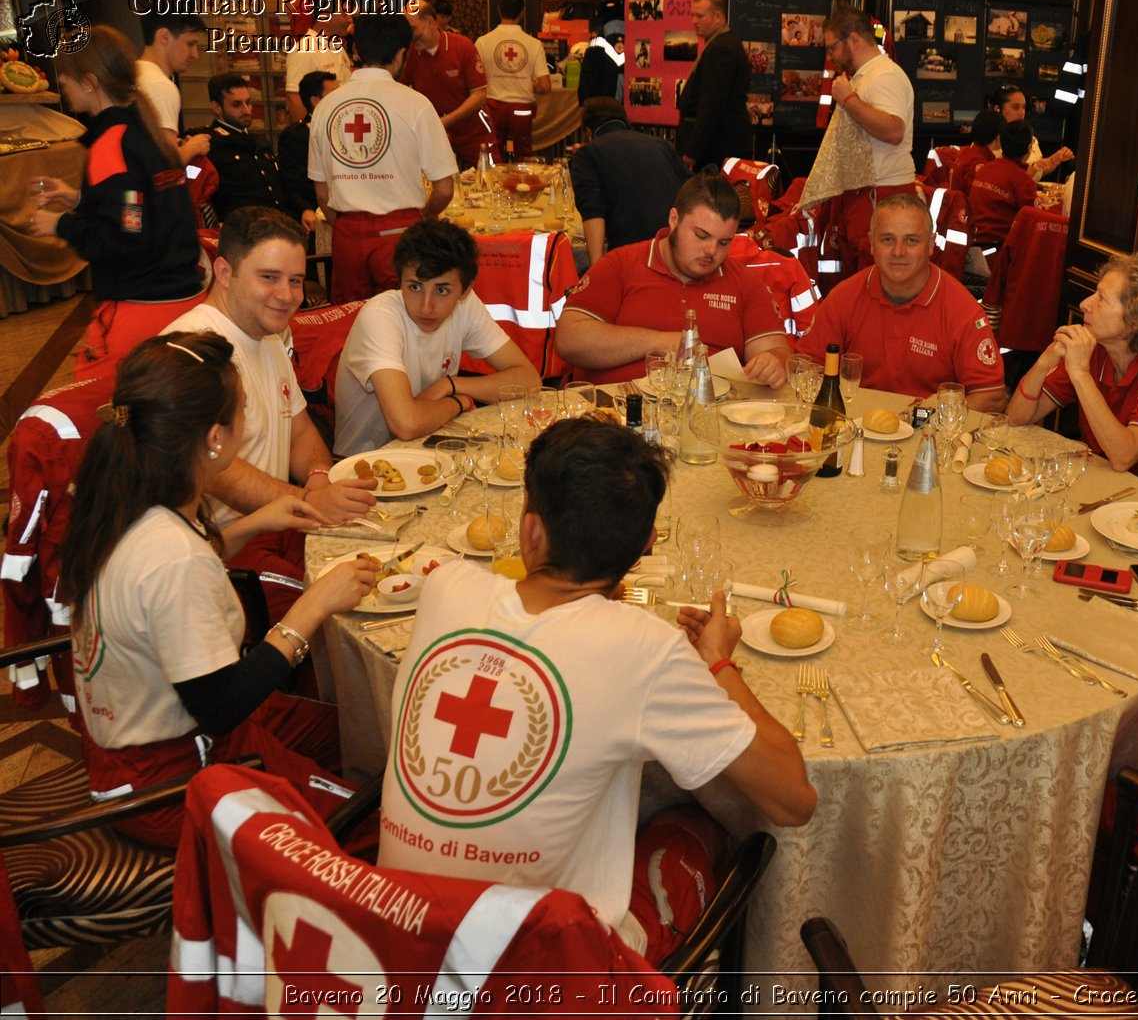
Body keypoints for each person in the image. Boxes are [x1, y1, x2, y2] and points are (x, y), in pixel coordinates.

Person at [379, 417, 815, 962]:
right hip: (538, 973)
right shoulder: (647, 649)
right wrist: (719, 661)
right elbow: (793, 799)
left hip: (395, 938)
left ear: (531, 531)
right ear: (645, 547)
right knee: (701, 819)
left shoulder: (446, 586)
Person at [56, 331, 378, 847]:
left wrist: (251, 524)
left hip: (135, 741)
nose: (247, 423)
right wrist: (313, 605)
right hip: (172, 779)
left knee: (360, 732)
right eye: (243, 412)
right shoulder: (173, 558)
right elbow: (220, 705)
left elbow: (155, 587)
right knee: (374, 826)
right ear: (215, 439)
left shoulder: (128, 497)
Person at [165, 208, 376, 618]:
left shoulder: (267, 333)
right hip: (226, 546)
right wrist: (306, 502)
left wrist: (317, 481)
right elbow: (213, 468)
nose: (287, 295)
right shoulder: (194, 349)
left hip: (280, 523)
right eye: (269, 278)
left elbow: (298, 428)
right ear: (223, 272)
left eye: (295, 280)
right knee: (349, 609)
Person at [28, 25, 205, 376]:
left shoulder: (111, 143)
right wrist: (80, 200)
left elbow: (126, 238)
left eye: (66, 74)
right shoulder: (146, 129)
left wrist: (61, 223)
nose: (61, 79)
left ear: (91, 81)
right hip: (183, 302)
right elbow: (136, 208)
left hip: (142, 310)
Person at [557, 173, 790, 387]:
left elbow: (777, 351)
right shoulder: (620, 264)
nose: (711, 251)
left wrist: (773, 364)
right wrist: (661, 342)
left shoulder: (745, 283)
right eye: (701, 235)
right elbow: (569, 340)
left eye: (724, 242)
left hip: (710, 417)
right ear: (674, 219)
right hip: (616, 414)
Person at [1006, 253, 1138, 497]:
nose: (1084, 304)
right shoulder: (1096, 349)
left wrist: (1080, 374)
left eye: (1101, 298)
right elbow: (1016, 418)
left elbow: (1124, 457)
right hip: (1107, 487)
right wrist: (1043, 363)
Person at [334, 220, 538, 454]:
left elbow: (529, 380)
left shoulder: (466, 306)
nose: (426, 307)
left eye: (442, 290)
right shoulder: (380, 316)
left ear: (466, 290)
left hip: (429, 449)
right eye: (414, 287)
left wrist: (451, 384)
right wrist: (458, 402)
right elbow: (405, 424)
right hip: (365, 464)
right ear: (399, 281)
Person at [798, 194, 1006, 412]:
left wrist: (938, 417)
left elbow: (991, 396)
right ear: (871, 244)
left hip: (928, 435)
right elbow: (805, 367)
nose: (898, 252)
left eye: (911, 240)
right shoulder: (844, 297)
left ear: (931, 245)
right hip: (856, 429)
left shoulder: (962, 310)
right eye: (887, 239)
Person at [308, 13, 456, 304]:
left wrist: (350, 226)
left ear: (357, 50)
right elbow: (445, 189)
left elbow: (321, 191)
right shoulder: (416, 104)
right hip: (401, 236)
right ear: (403, 53)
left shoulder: (326, 107)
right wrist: (421, 217)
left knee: (351, 326)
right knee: (404, 326)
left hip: (347, 238)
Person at [816, 7, 917, 278]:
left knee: (874, 283)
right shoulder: (865, 76)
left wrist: (849, 101)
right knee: (858, 283)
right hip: (865, 193)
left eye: (832, 47)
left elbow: (894, 130)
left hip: (882, 193)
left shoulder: (885, 76)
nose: (830, 56)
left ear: (853, 39)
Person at [568, 96, 688, 258]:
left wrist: (596, 272)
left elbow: (592, 211)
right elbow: (690, 190)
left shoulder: (588, 153)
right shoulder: (660, 145)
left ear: (588, 133)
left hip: (632, 254)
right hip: (677, 248)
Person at [404, 0, 491, 169]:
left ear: (430, 22)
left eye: (413, 29)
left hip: (473, 132)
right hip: (434, 135)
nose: (410, 36)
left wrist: (444, 121)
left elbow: (480, 96)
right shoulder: (409, 54)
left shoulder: (462, 46)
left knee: (488, 181)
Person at [675, 0, 752, 172]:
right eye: (692, 15)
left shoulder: (722, 49)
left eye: (700, 16)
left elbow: (712, 105)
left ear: (718, 17)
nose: (694, 20)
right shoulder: (721, 43)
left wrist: (692, 150)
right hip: (718, 145)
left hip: (717, 148)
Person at [199, 73, 286, 221]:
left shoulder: (259, 143)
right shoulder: (210, 144)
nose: (246, 110)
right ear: (216, 107)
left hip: (275, 223)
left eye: (248, 102)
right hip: (240, 230)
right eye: (237, 104)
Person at [475, 0, 551, 161]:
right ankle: (519, 186)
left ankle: (493, 186)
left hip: (492, 107)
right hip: (521, 110)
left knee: (492, 155)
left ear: (499, 10)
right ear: (522, 13)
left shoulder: (483, 42)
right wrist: (527, 83)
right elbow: (545, 86)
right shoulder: (534, 44)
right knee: (521, 156)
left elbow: (474, 79)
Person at [134, 12, 210, 165]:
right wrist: (194, 147)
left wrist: (180, 144)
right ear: (165, 37)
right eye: (190, 44)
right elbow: (165, 164)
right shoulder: (160, 86)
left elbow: (145, 146)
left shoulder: (134, 73)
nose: (195, 54)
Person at [967, 118, 1037, 275]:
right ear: (1029, 148)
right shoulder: (1022, 181)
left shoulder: (986, 168)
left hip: (972, 250)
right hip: (997, 255)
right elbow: (1033, 223)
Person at [277, 70, 338, 235]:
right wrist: (305, 208)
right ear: (316, 101)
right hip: (315, 212)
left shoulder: (343, 128)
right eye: (334, 95)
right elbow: (292, 183)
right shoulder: (296, 135)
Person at [283, 0, 352, 126]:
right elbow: (294, 98)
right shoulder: (305, 49)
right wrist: (305, 135)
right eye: (344, 14)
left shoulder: (338, 48)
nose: (349, 19)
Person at [988, 84, 1073, 179]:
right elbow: (1001, 182)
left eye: (1023, 107)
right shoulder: (989, 140)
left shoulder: (1029, 138)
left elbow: (1036, 170)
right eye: (1016, 107)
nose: (1022, 112)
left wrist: (1054, 160)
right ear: (997, 109)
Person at [947, 107, 1004, 199]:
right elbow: (981, 198)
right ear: (998, 137)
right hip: (968, 211)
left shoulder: (968, 152)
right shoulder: (977, 162)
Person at [578, 17, 626, 104]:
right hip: (626, 106)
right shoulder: (634, 33)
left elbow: (587, 73)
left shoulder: (597, 39)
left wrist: (584, 98)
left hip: (602, 106)